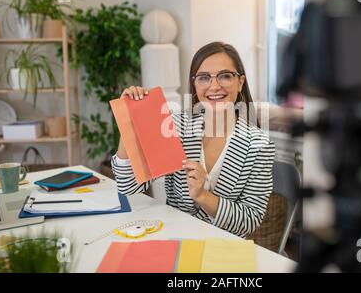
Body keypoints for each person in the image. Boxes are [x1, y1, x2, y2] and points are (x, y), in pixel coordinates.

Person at [111, 42, 275, 238]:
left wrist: (203, 196)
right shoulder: (175, 126)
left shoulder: (259, 145)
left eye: (225, 76)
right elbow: (127, 186)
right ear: (195, 84)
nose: (214, 86)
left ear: (240, 82)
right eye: (204, 78)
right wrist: (128, 120)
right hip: (174, 237)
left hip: (223, 248)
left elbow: (250, 220)